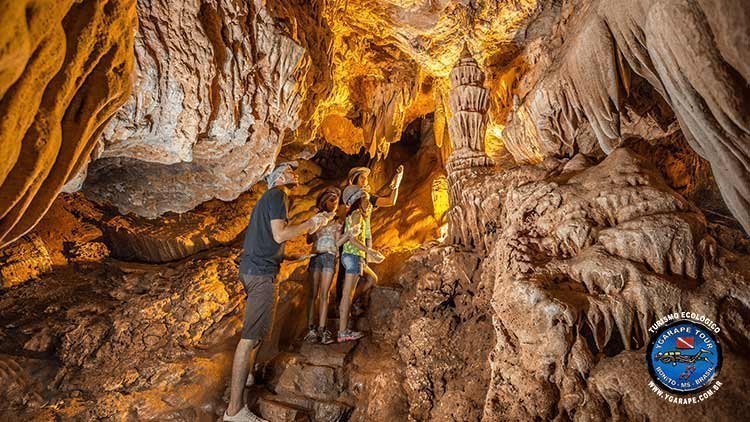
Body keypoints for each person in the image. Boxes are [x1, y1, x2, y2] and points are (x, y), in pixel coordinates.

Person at [224, 161, 333, 422]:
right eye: (288, 170)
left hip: (256, 269)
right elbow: (280, 234)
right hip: (260, 273)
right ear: (278, 177)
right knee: (249, 339)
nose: (294, 173)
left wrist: (295, 255)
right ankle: (234, 411)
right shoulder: (278, 194)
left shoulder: (268, 199)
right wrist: (312, 223)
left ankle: (248, 380)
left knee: (257, 335)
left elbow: (270, 241)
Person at [302, 187, 357, 345]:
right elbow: (308, 239)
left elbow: (336, 242)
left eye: (336, 201)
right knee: (313, 294)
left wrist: (344, 237)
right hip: (316, 255)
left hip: (329, 256)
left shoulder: (338, 221)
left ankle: (322, 328)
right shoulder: (317, 218)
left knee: (324, 294)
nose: (334, 204)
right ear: (323, 201)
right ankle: (311, 329)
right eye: (331, 200)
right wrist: (317, 224)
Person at [337, 186, 381, 342]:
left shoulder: (358, 215)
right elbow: (352, 239)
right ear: (358, 200)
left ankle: (347, 307)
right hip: (353, 256)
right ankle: (343, 331)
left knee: (372, 278)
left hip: (353, 256)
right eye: (366, 200)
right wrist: (370, 252)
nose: (369, 204)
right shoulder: (356, 215)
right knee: (347, 294)